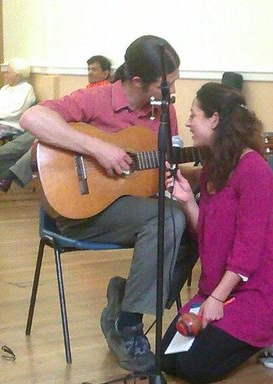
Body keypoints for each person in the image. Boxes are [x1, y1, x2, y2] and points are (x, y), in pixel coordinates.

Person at [19, 35, 184, 374]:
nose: (171, 93)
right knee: (168, 220)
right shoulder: (95, 99)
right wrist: (98, 149)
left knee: (191, 224)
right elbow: (32, 119)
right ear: (136, 81)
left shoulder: (163, 112)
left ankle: (126, 306)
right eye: (164, 86)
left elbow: (167, 163)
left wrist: (179, 176)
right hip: (78, 210)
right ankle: (127, 325)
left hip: (134, 207)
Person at [158, 82, 273, 384]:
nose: (189, 122)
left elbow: (248, 250)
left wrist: (217, 299)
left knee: (195, 369)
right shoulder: (214, 166)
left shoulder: (254, 170)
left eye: (194, 115)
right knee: (167, 359)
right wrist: (188, 200)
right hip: (216, 289)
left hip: (253, 295)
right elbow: (208, 235)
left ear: (215, 119)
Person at [0, 54, 113, 192]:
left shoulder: (104, 92)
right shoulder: (89, 90)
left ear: (105, 74)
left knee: (44, 142)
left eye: (94, 69)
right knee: (36, 133)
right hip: (72, 127)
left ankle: (2, 171)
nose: (90, 72)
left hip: (83, 132)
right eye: (88, 69)